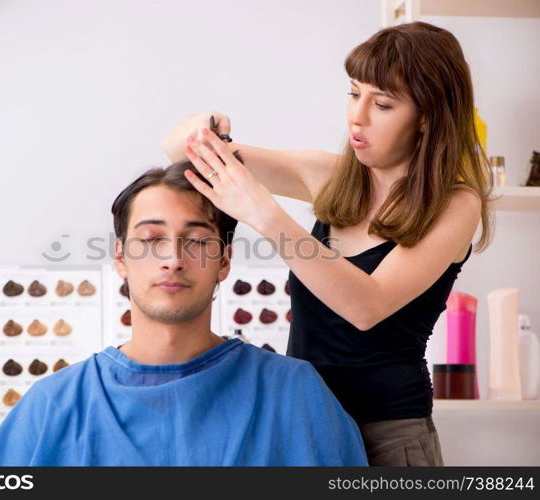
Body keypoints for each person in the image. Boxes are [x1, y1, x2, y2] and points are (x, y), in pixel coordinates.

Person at [161, 22, 493, 466]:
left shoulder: (456, 204)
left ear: (428, 117)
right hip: (305, 426)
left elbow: (365, 306)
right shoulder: (331, 178)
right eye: (354, 94)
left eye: (383, 104)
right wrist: (203, 129)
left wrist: (265, 215)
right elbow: (181, 152)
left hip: (390, 438)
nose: (358, 116)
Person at [0, 158, 367, 466]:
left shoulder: (292, 394)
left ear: (225, 261)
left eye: (197, 240)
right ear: (121, 258)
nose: (173, 259)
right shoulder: (53, 406)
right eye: (150, 239)